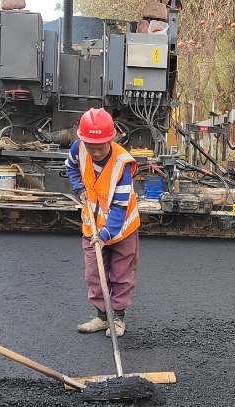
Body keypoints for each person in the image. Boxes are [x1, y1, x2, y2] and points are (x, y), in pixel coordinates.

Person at [65, 108, 140, 337]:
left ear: (111, 138)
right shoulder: (78, 149)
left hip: (122, 230)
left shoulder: (122, 164)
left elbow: (118, 206)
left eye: (101, 147)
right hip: (92, 226)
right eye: (91, 147)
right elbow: (70, 168)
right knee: (94, 274)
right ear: (82, 140)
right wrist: (79, 189)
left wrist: (106, 234)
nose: (95, 152)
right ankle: (101, 317)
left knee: (121, 274)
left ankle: (117, 318)